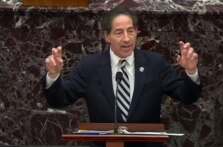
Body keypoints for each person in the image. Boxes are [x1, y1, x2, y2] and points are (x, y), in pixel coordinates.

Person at [43, 6, 202, 147]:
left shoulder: (155, 63)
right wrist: (53, 75)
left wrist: (191, 71)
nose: (126, 38)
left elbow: (186, 96)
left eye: (130, 31)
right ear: (107, 36)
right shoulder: (89, 67)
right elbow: (59, 100)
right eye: (119, 32)